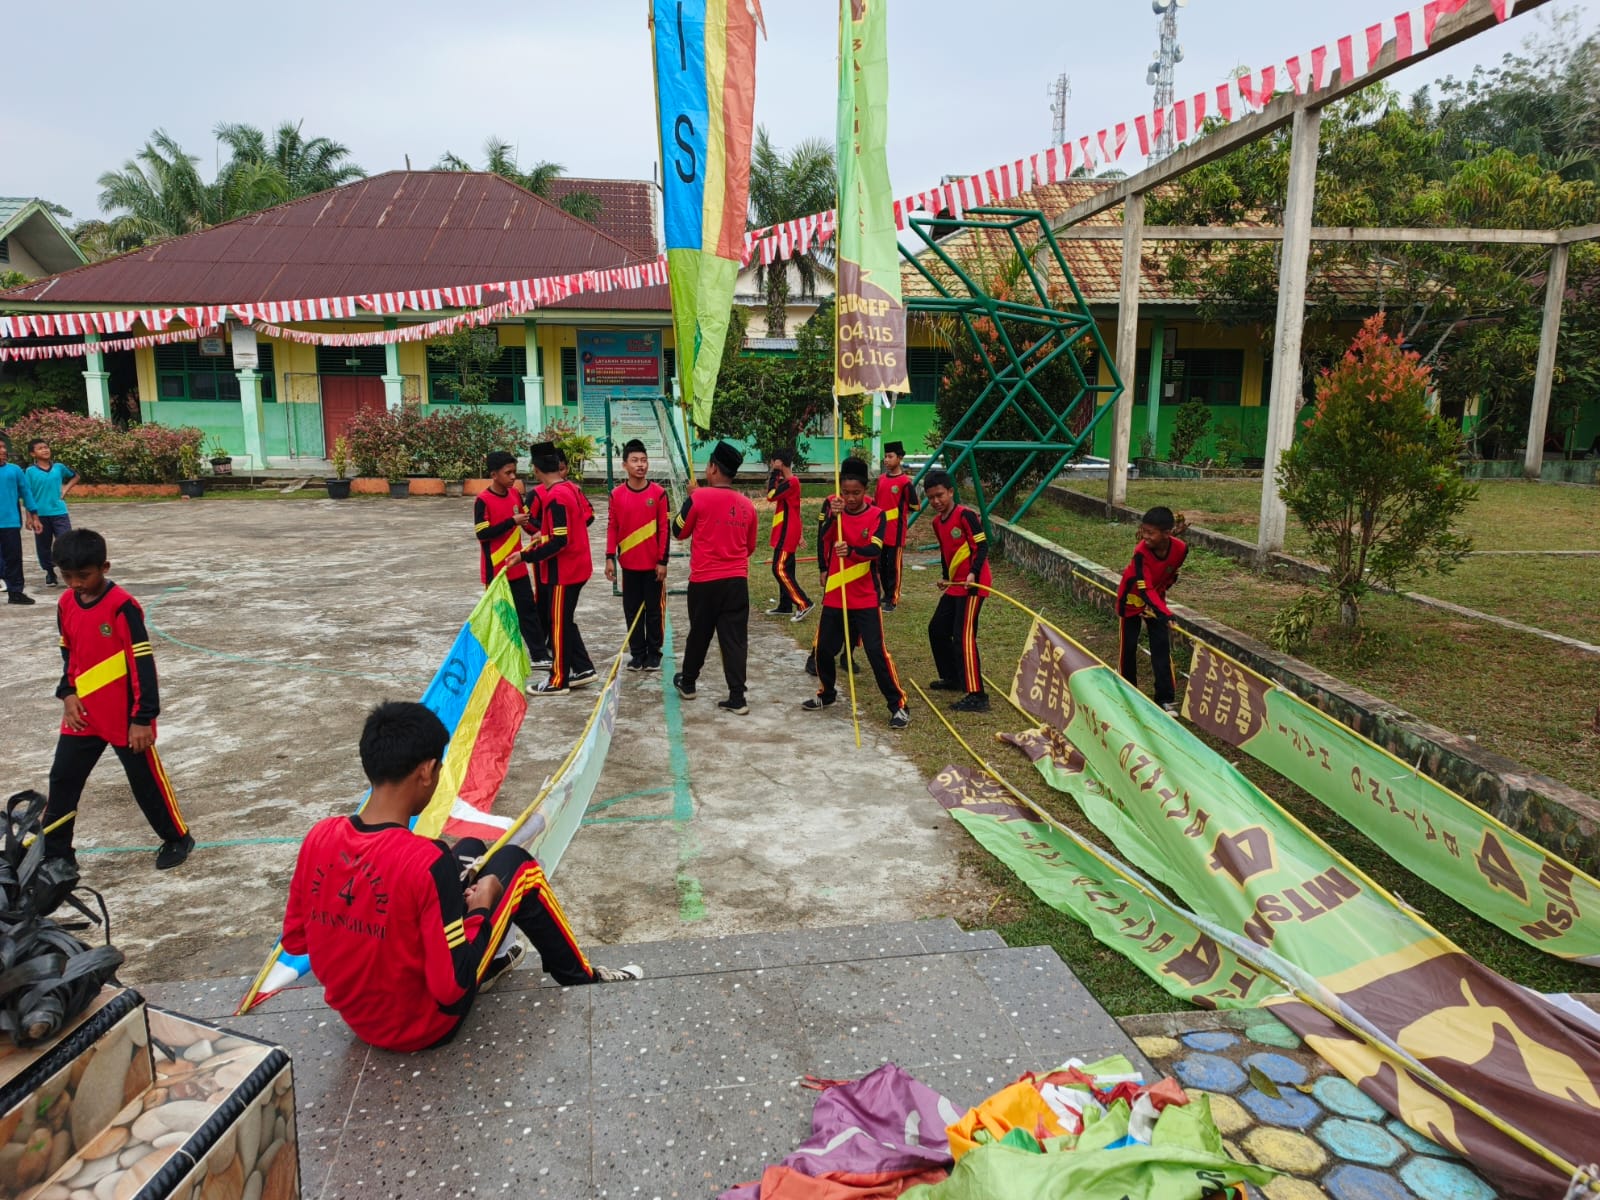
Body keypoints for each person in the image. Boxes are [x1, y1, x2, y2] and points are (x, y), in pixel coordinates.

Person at [280, 701, 641, 1052]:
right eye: (439, 770)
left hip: (360, 1020)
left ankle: (495, 956)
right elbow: (452, 985)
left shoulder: (320, 836)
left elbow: (297, 941)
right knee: (518, 865)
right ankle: (582, 977)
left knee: (469, 847)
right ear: (426, 771)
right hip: (425, 1023)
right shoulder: (424, 859)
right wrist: (480, 910)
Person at [42, 529, 194, 869]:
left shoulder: (123, 608)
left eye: (84, 575)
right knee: (63, 779)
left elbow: (143, 664)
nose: (76, 584)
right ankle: (56, 853)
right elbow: (69, 653)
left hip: (125, 718)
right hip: (83, 715)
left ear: (105, 567)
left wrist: (143, 718)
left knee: (145, 783)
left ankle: (177, 837)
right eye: (68, 577)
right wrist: (67, 693)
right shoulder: (65, 603)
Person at [805, 457, 910, 729]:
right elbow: (825, 538)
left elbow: (875, 549)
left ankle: (898, 705)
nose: (850, 498)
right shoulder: (835, 513)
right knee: (824, 651)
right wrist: (833, 517)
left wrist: (851, 551)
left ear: (866, 491)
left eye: (856, 493)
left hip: (864, 597)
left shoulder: (877, 515)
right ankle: (826, 693)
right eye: (846, 493)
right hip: (835, 595)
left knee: (876, 652)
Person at [672, 441, 758, 714]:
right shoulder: (747, 505)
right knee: (734, 638)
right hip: (736, 581)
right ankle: (737, 696)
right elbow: (750, 546)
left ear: (712, 468)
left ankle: (688, 683)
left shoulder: (698, 498)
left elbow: (678, 530)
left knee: (699, 634)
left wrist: (689, 498)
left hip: (705, 581)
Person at [517, 444, 596, 695]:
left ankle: (558, 679)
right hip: (576, 566)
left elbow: (559, 540)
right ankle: (583, 668)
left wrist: (524, 555)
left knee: (558, 625)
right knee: (563, 620)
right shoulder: (569, 488)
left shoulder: (555, 496)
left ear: (537, 469)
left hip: (565, 571)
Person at [474, 451, 550, 670]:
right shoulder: (482, 500)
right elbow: (482, 533)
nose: (513, 477)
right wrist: (511, 521)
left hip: (517, 566)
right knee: (502, 616)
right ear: (494, 474)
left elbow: (527, 521)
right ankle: (505, 657)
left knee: (528, 612)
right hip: (495, 570)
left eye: (514, 472)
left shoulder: (516, 495)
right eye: (508, 473)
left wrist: (539, 532)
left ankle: (539, 655)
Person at [924, 471, 991, 713]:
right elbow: (946, 553)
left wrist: (973, 573)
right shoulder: (936, 522)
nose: (936, 501)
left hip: (974, 585)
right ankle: (952, 677)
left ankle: (977, 694)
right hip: (955, 586)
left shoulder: (966, 515)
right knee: (937, 629)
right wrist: (946, 578)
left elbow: (982, 545)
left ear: (951, 492)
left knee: (963, 636)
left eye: (940, 495)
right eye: (931, 498)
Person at [605, 439, 670, 671]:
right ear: (625, 465)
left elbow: (664, 529)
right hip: (629, 566)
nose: (640, 465)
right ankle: (638, 654)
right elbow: (612, 526)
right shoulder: (616, 494)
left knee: (654, 612)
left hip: (653, 567)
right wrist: (609, 557)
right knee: (631, 611)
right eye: (635, 461)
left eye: (643, 460)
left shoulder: (659, 494)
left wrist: (663, 561)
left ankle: (654, 653)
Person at [1116, 506, 1189, 713]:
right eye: (1143, 531)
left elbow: (1171, 573)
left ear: (1166, 533)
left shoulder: (1181, 549)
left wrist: (1162, 598)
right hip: (1132, 597)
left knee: (1161, 648)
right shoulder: (1140, 552)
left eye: (1150, 533)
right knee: (1128, 647)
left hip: (1155, 599)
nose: (1145, 537)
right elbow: (1144, 587)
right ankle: (1129, 691)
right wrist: (1165, 613)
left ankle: (1165, 699)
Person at [763, 449, 812, 621]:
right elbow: (795, 509)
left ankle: (804, 603)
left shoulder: (792, 482)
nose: (771, 465)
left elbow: (770, 495)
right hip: (785, 531)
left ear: (780, 463)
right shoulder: (788, 482)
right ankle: (785, 605)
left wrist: (776, 472)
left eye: (773, 462)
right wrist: (800, 534)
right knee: (787, 568)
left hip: (787, 533)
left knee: (779, 568)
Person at [872, 441, 918, 612]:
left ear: (899, 458)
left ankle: (893, 598)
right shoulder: (881, 479)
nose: (886, 460)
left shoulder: (905, 482)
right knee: (880, 565)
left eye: (890, 456)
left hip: (896, 533)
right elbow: (876, 502)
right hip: (880, 531)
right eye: (885, 456)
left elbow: (915, 506)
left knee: (894, 566)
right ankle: (886, 593)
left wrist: (897, 513)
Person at [24, 440, 77, 589]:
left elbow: (75, 476)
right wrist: (29, 517)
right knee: (43, 545)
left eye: (46, 447)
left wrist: (65, 489)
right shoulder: (30, 472)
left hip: (59, 512)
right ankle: (49, 572)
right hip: (40, 515)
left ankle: (68, 570)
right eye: (40, 449)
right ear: (32, 454)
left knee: (65, 542)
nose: (45, 450)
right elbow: (28, 494)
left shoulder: (59, 467)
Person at [0, 439, 40, 606]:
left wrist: (34, 516)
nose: (3, 450)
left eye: (3, 447)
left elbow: (26, 492)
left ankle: (15, 592)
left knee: (14, 558)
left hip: (10, 523)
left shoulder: (14, 470)